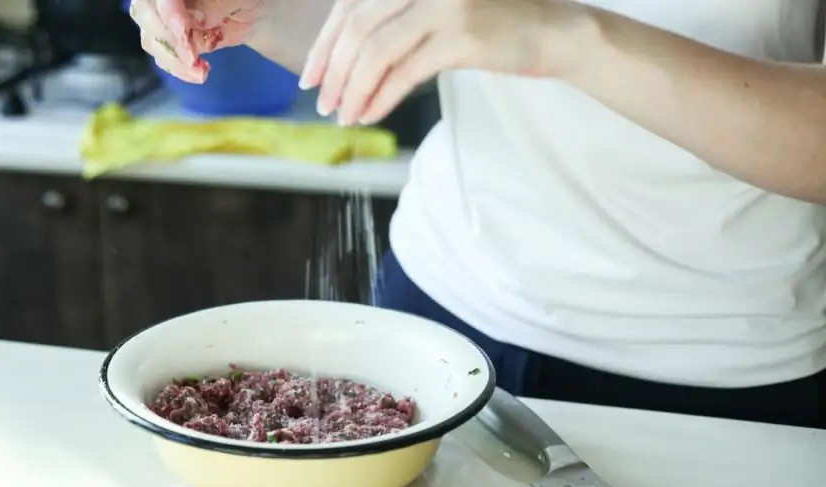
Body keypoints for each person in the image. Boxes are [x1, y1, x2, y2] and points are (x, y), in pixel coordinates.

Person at [131, 0, 826, 428]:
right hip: (443, 311)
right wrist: (261, 11)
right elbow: (390, 22)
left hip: (723, 373)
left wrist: (561, 32)